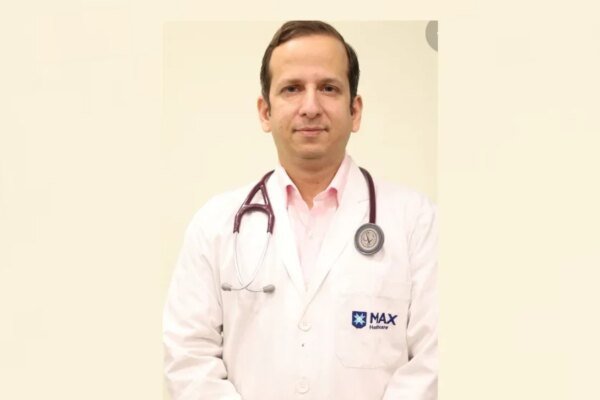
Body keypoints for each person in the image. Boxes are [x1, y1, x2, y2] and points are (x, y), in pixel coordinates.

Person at [163, 20, 437, 400]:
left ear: (355, 110)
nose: (310, 107)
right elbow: (187, 357)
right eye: (292, 89)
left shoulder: (417, 222)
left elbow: (435, 359)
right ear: (265, 111)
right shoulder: (215, 224)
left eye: (328, 88)